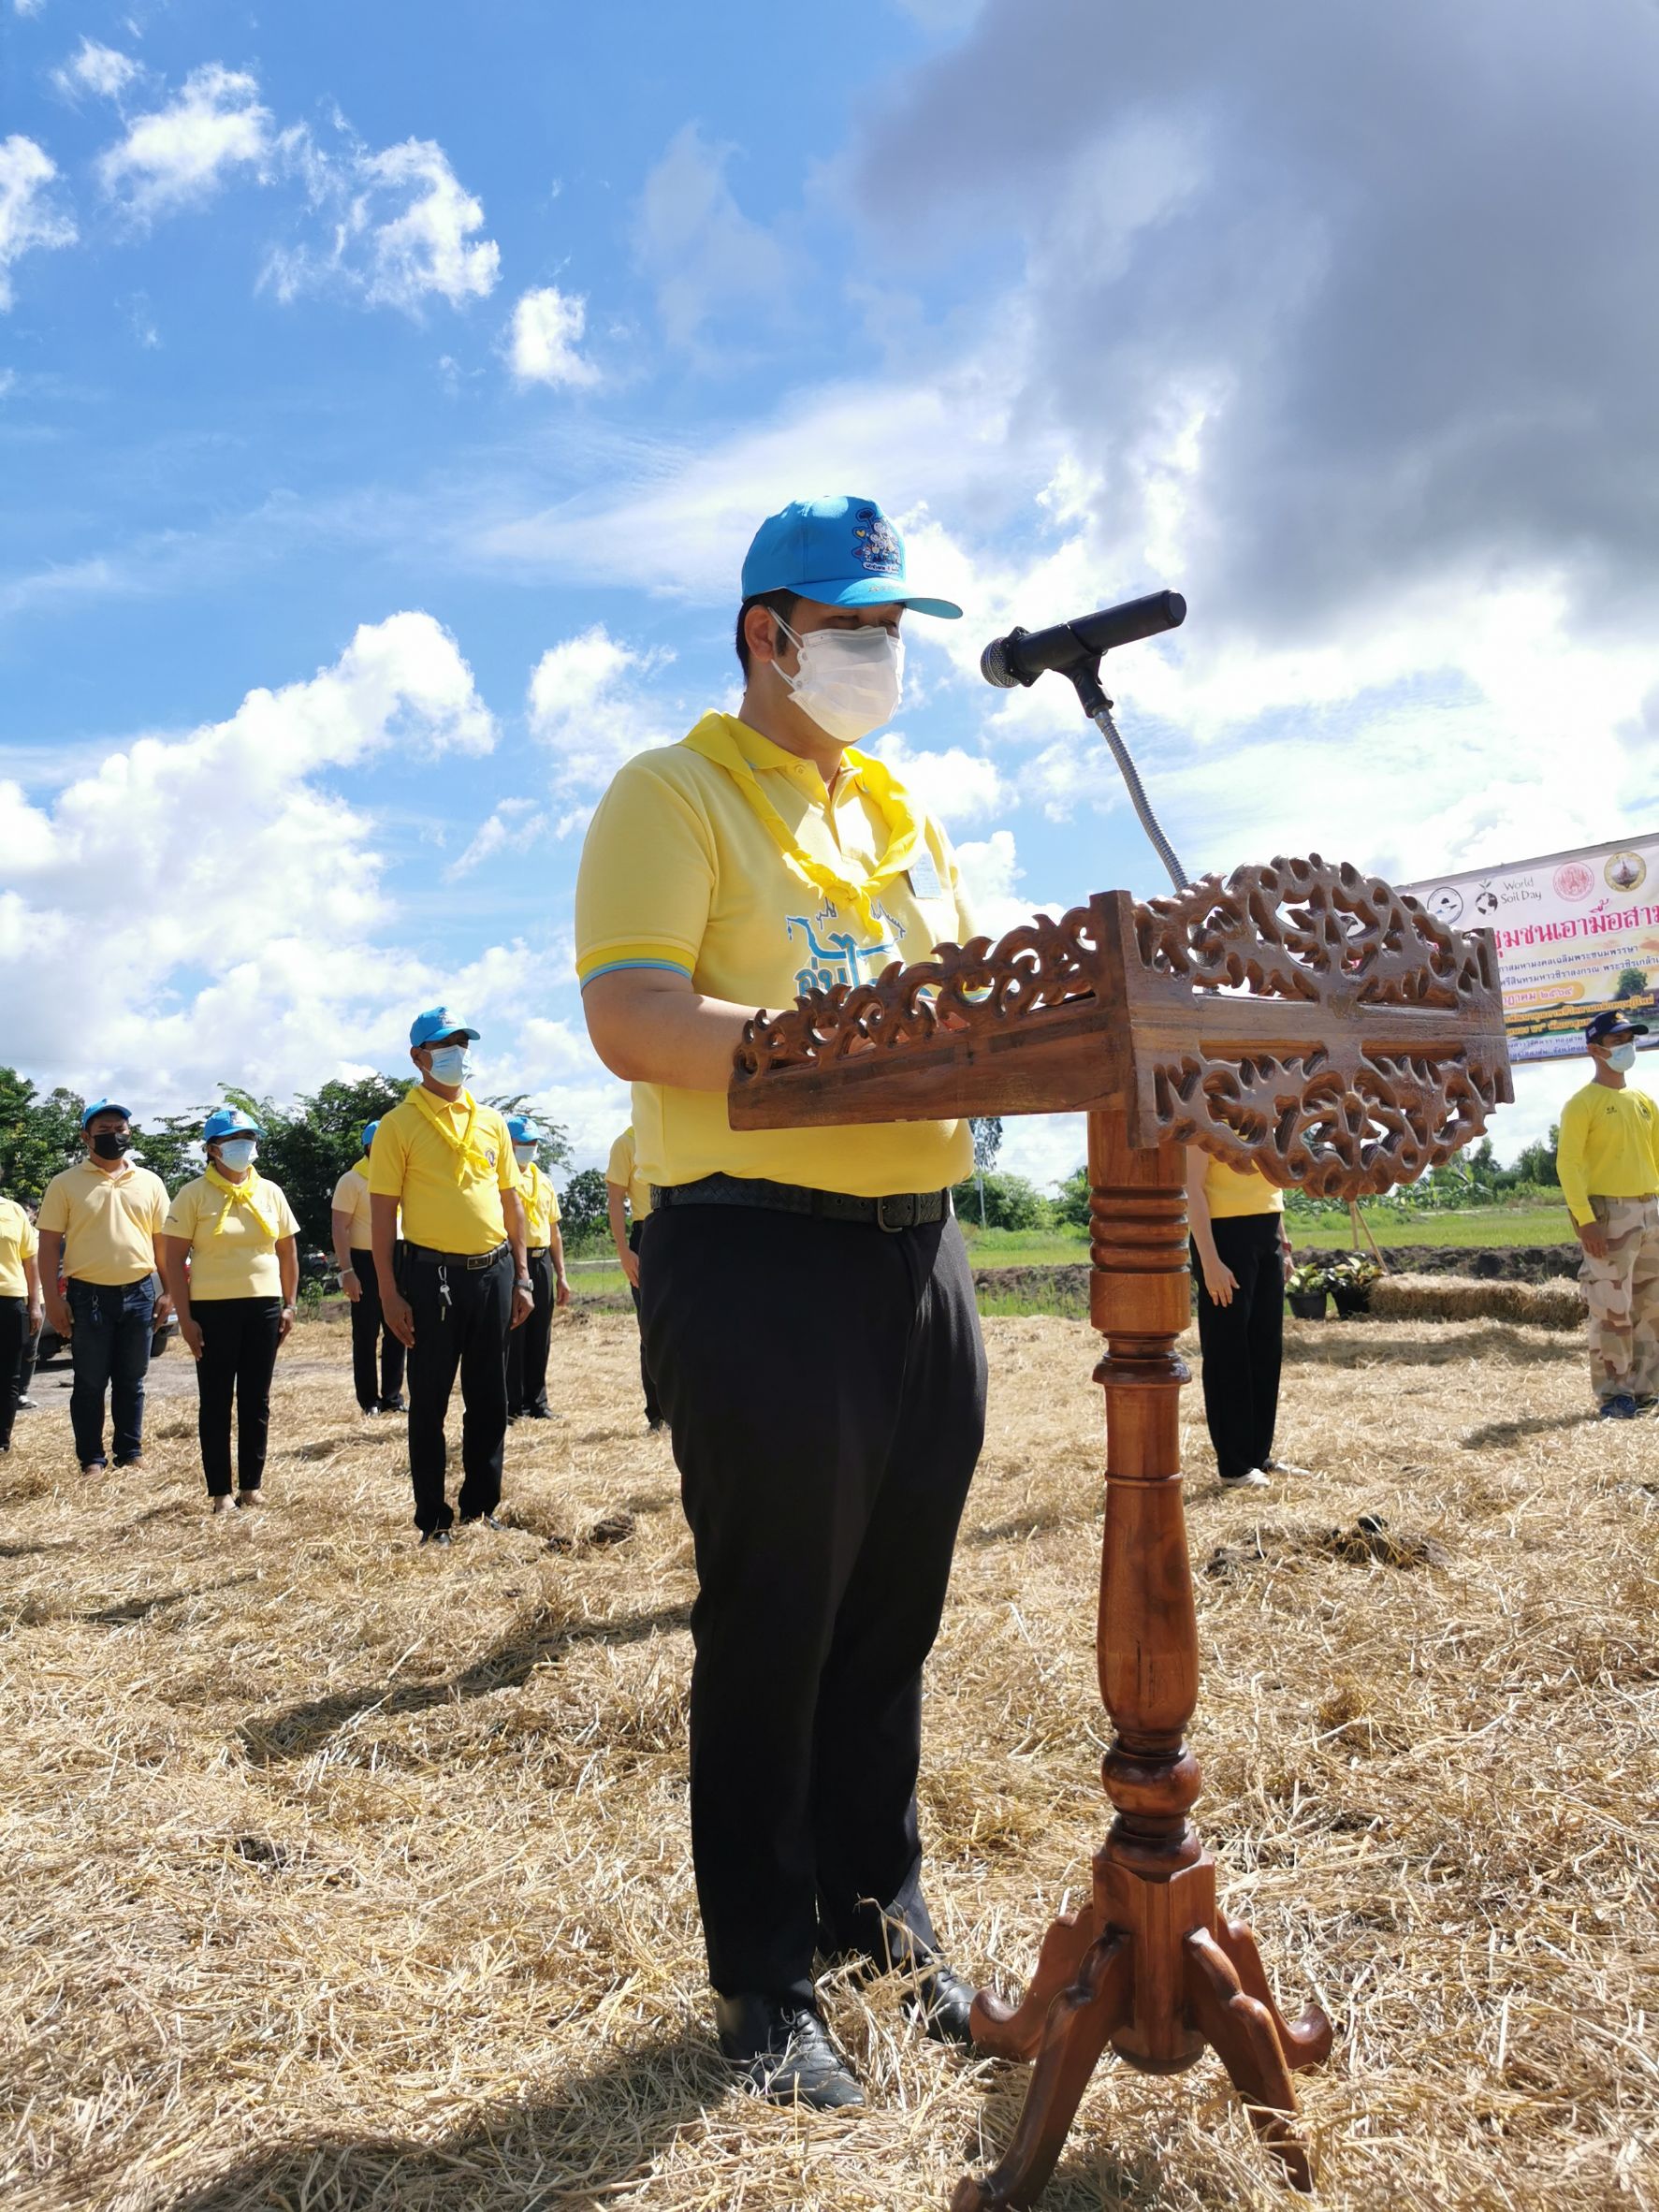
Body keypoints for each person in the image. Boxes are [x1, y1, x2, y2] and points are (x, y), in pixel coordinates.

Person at [576, 494, 987, 2110]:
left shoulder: (897, 807)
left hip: (919, 1244)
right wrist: (841, 1053)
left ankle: (879, 1916)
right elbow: (635, 1012)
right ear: (769, 632)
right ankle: (763, 1976)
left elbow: (968, 1004)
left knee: (892, 1608)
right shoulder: (670, 790)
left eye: (893, 632)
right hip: (754, 1244)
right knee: (775, 1616)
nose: (884, 658)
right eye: (859, 628)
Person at [369, 1008, 532, 1544]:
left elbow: (512, 1204)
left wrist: (524, 1276)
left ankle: (482, 1509)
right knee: (431, 1398)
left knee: (490, 1397)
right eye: (444, 1045)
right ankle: (433, 1518)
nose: (456, 1054)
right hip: (431, 1276)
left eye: (462, 1044)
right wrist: (390, 1294)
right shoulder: (398, 1125)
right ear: (417, 1056)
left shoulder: (490, 1122)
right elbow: (381, 1215)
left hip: (495, 1271)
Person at [159, 1107, 300, 1514]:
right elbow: (173, 1261)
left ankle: (251, 1486)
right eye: (234, 1140)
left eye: (249, 1138)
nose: (244, 1146)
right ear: (212, 1149)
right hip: (212, 1310)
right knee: (217, 1399)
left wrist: (289, 1305)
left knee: (257, 1397)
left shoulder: (271, 1191)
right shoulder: (192, 1195)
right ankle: (220, 1492)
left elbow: (288, 1253)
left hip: (264, 1307)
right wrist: (184, 1318)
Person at [36, 1099, 172, 1476]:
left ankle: (130, 1453)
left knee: (132, 1380)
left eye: (121, 1130)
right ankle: (92, 1460)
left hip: (141, 1293)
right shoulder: (65, 1184)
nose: (115, 1136)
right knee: (90, 1382)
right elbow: (47, 1245)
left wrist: (170, 1292)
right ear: (86, 1137)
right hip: (87, 1295)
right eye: (104, 1131)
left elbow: (164, 1243)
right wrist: (53, 1299)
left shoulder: (150, 1182)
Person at [1557, 1009, 1659, 1419]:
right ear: (1595, 1050)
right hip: (1609, 1215)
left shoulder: (1645, 1102)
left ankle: (1647, 1388)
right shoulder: (1583, 1103)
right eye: (1617, 1042)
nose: (1626, 1047)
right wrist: (1585, 1219)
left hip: (1650, 1210)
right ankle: (1614, 1393)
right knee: (1611, 1308)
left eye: (1629, 1039)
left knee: (1650, 1307)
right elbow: (1568, 1164)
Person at [1186, 1149, 1302, 1488]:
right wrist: (1209, 1261)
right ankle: (1234, 1466)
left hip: (1268, 1236)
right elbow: (1191, 1188)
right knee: (1228, 1351)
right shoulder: (1202, 1114)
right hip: (1223, 1237)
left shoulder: (1265, 1114)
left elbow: (1271, 1181)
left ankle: (1258, 1456)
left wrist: (1283, 1245)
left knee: (1266, 1350)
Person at [331, 1120, 406, 1418]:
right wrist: (347, 1271)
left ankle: (392, 1397)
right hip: (364, 1261)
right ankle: (369, 1400)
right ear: (370, 1147)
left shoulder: (401, 1177)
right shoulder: (352, 1180)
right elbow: (339, 1227)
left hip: (400, 1257)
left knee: (398, 1328)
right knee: (365, 1334)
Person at [504, 1115, 570, 1422]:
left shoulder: (543, 1180)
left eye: (533, 1143)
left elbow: (554, 1230)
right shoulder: (499, 1179)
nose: (529, 1149)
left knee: (540, 1334)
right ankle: (512, 1405)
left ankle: (537, 1401)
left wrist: (561, 1274)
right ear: (509, 1144)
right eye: (523, 1143)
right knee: (514, 1331)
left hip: (542, 1260)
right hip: (512, 1260)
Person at [606, 1123, 665, 1432]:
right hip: (645, 1235)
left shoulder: (670, 1135)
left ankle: (682, 1408)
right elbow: (615, 1198)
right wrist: (623, 1252)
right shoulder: (625, 1144)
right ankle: (657, 1413)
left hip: (678, 1229)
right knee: (651, 1331)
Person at [0, 1185, 42, 1453]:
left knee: (9, 1375)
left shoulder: (14, 1211)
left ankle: (2, 1441)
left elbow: (31, 1260)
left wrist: (34, 1303)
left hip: (11, 1303)